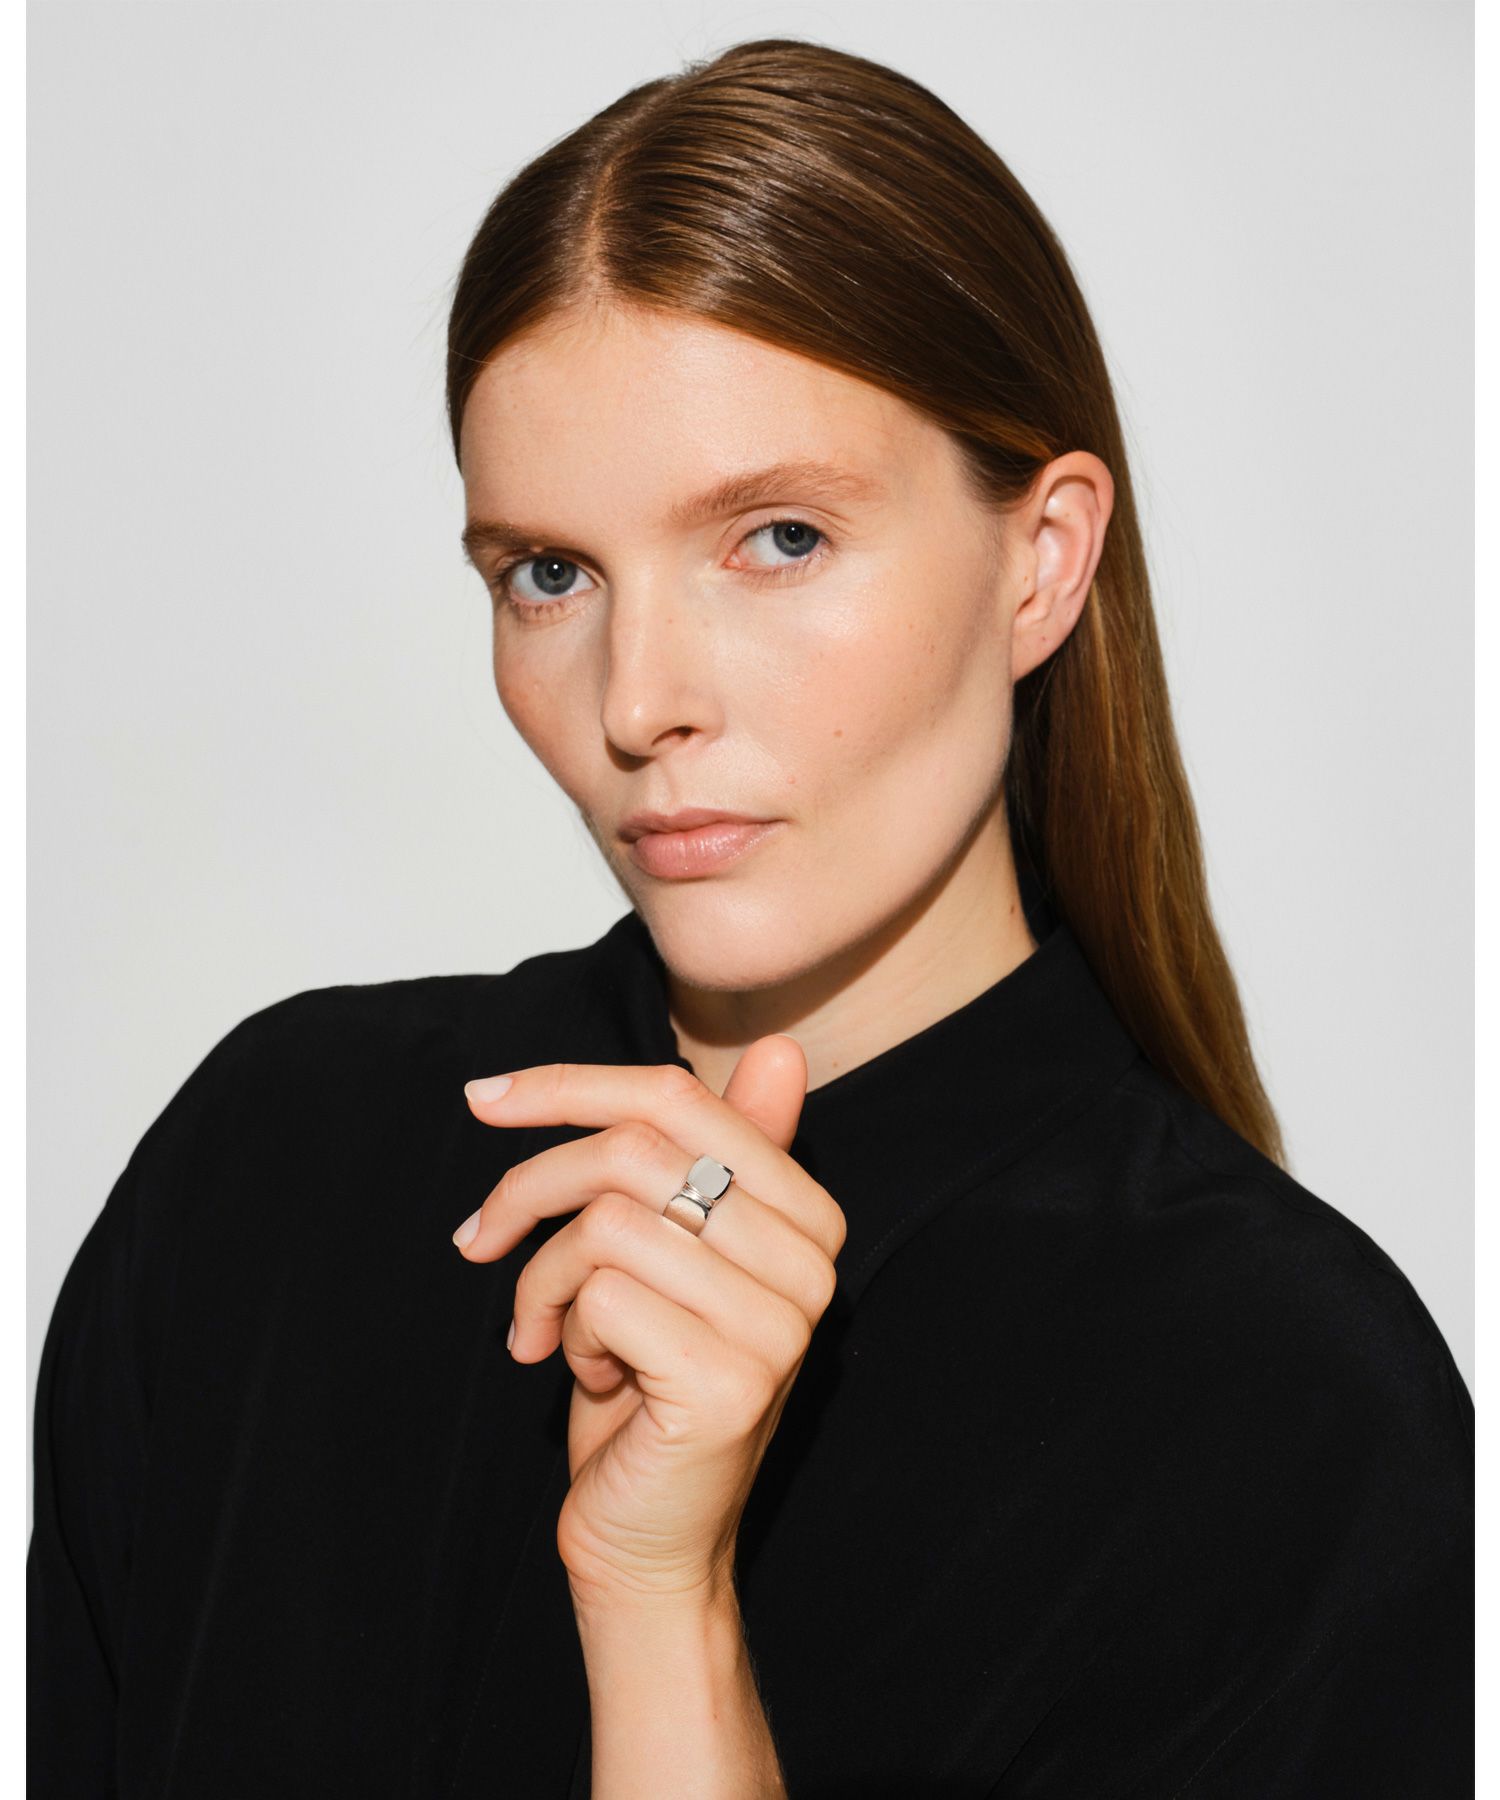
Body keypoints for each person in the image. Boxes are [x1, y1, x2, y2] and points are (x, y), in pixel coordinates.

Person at [29, 35, 1472, 1800]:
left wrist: (659, 1609)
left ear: (1042, 560)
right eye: (549, 574)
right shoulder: (274, 1167)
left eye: (777, 539)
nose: (639, 700)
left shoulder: (1283, 1408)